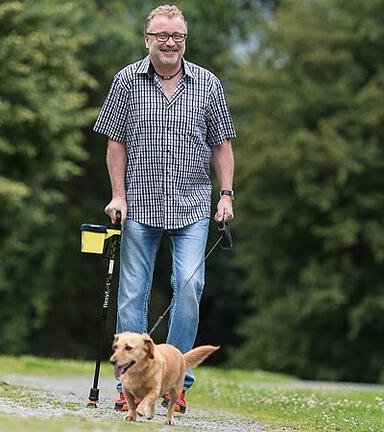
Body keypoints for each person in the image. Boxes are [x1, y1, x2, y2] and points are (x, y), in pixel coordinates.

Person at [93, 4, 235, 415]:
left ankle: (177, 382)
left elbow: (222, 144)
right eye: (162, 35)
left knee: (189, 289)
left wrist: (226, 195)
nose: (170, 43)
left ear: (184, 40)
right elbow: (114, 143)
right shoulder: (126, 80)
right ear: (147, 39)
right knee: (132, 297)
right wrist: (116, 196)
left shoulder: (207, 84)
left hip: (192, 205)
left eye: (177, 36)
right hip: (138, 204)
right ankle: (130, 387)